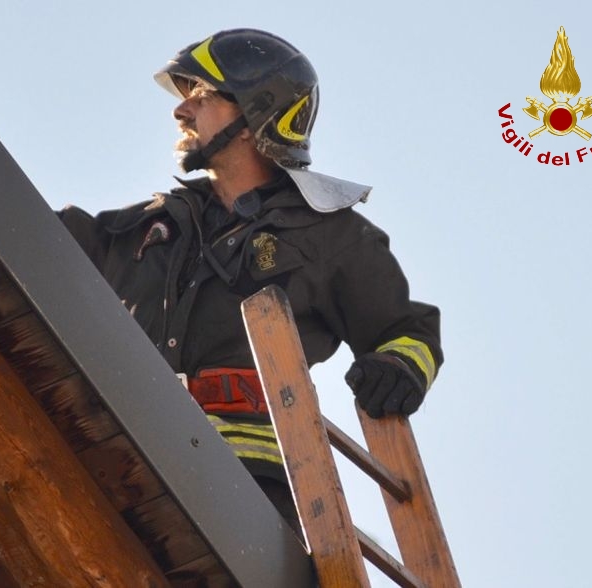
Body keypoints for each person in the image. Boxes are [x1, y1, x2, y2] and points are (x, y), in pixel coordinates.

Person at [58, 29, 442, 529]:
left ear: (253, 115)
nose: (181, 111)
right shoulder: (148, 227)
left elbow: (407, 332)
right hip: (116, 460)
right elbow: (33, 237)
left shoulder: (331, 236)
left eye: (201, 96)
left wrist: (397, 366)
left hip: (252, 496)